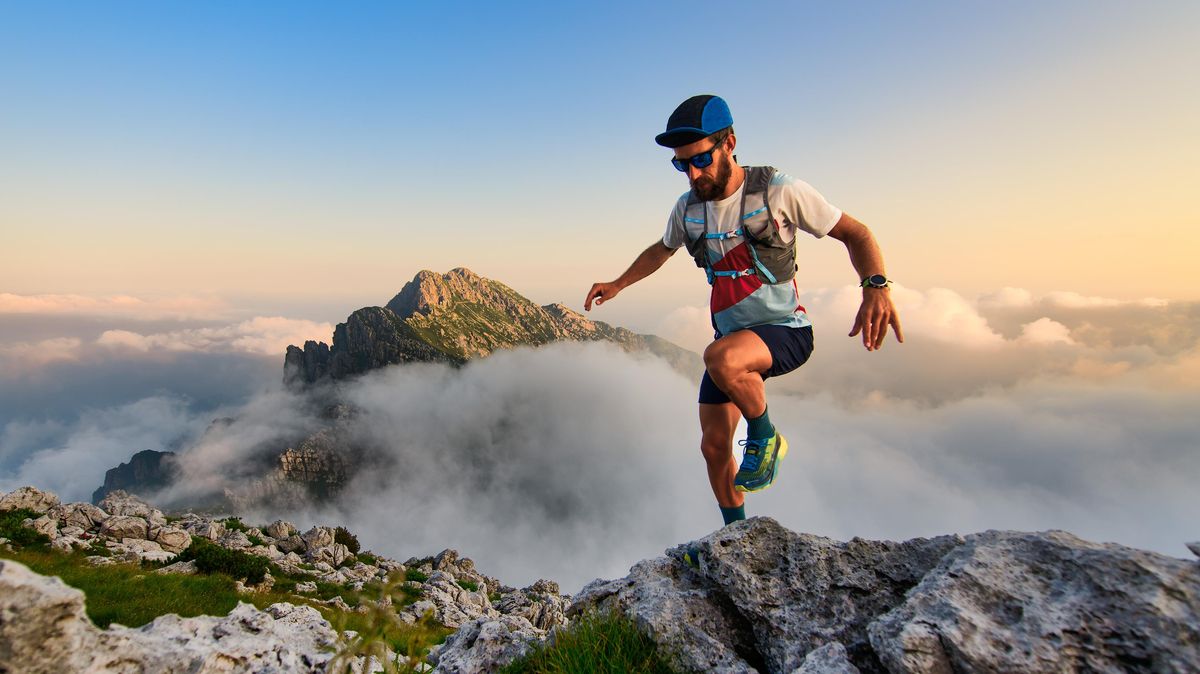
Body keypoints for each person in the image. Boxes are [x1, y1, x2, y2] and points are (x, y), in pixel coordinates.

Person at [584, 94, 903, 530]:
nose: (694, 173)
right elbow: (663, 249)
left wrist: (875, 287)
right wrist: (619, 284)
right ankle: (735, 534)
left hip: (785, 332)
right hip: (734, 342)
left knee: (720, 359)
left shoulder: (779, 191)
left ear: (729, 142)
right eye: (682, 165)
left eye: (701, 159)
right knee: (714, 446)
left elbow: (857, 234)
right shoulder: (689, 208)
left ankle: (766, 436)